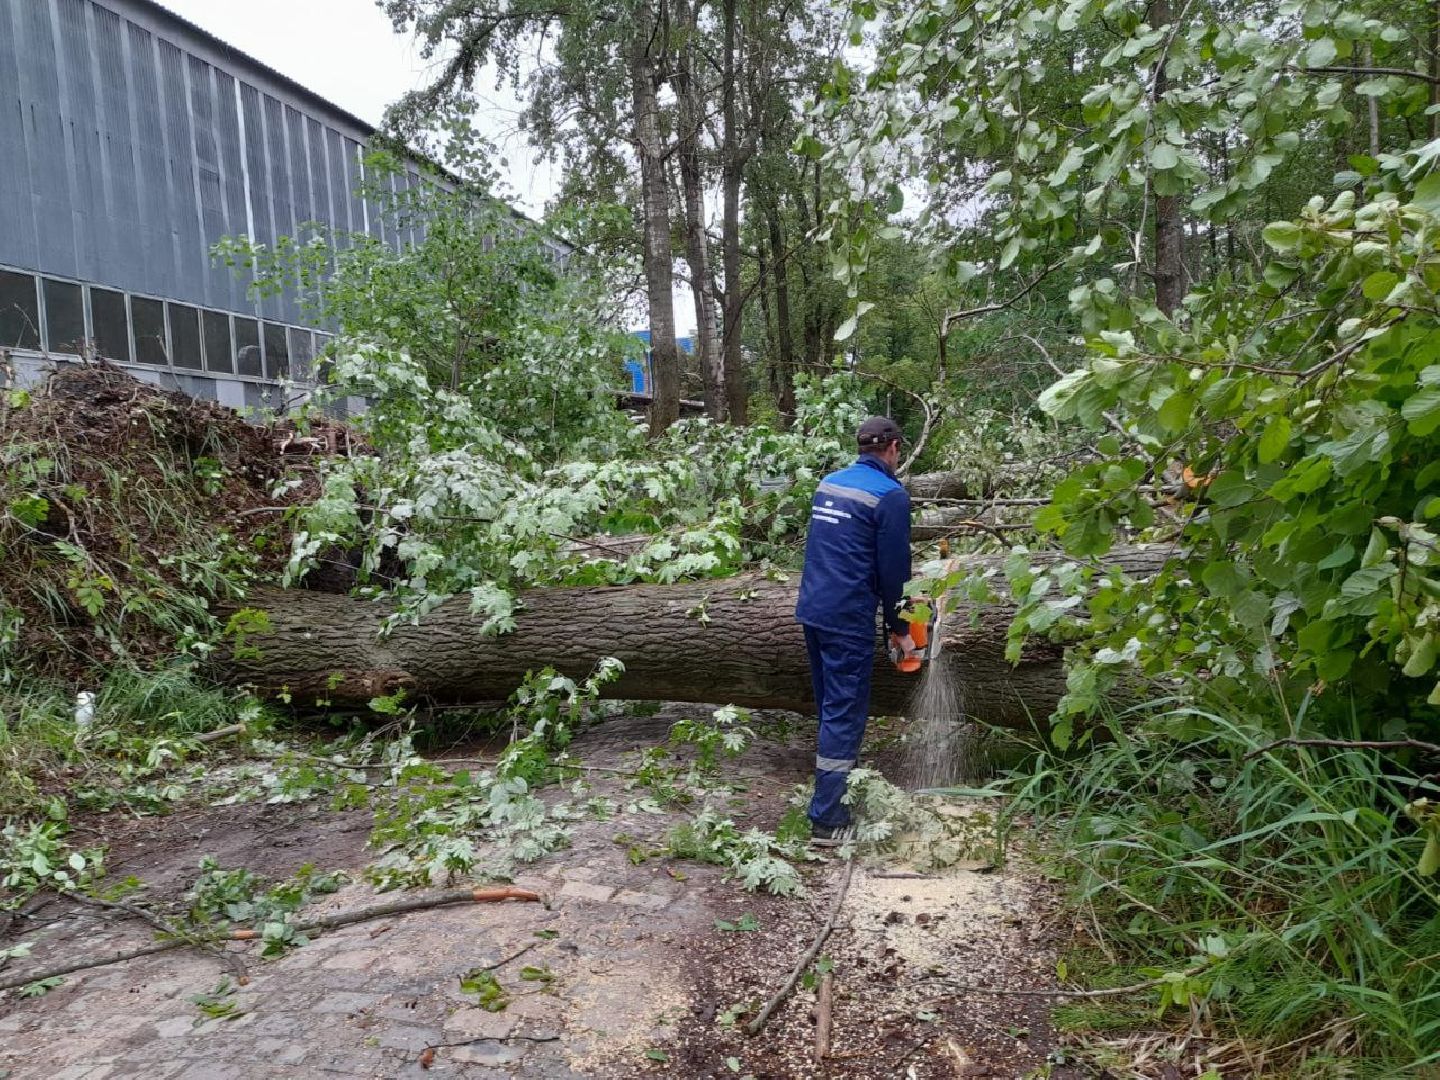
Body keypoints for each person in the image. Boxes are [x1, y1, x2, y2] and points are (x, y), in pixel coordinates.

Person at [795, 416, 914, 845]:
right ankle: (828, 821)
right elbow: (895, 573)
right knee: (844, 713)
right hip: (847, 618)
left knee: (832, 707)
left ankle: (834, 793)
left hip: (814, 608)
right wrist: (901, 629)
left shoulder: (829, 483)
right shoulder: (890, 496)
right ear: (894, 448)